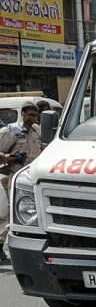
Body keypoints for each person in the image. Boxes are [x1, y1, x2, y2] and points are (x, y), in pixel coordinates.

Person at [0, 102, 44, 263]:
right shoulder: (10, 131)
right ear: (23, 114)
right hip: (15, 178)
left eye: (36, 115)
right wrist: (7, 157)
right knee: (15, 214)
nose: (34, 118)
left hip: (34, 179)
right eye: (31, 115)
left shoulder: (37, 131)